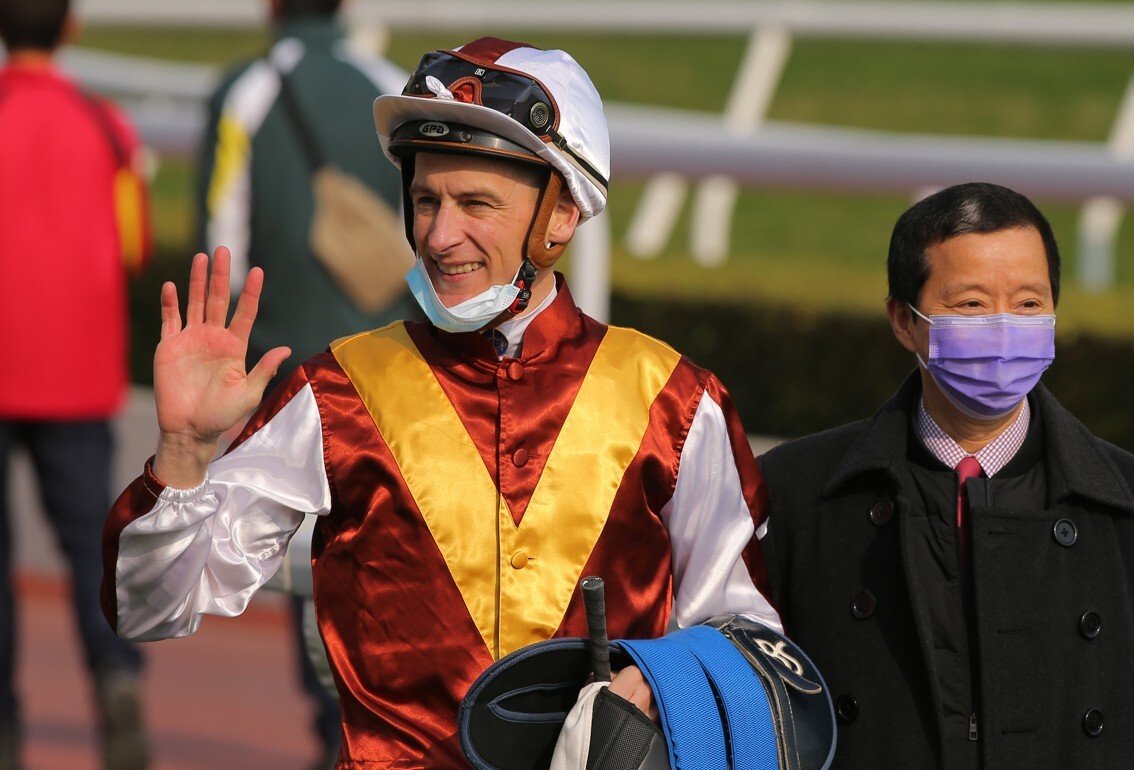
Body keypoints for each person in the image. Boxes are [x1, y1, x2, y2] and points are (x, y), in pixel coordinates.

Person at [102, 37, 778, 766]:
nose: (438, 234)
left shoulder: (677, 402)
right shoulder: (337, 390)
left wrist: (655, 683)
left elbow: (748, 638)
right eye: (426, 200)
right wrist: (182, 454)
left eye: (475, 203)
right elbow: (150, 608)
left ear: (561, 216)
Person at [757, 183, 1134, 768]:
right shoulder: (794, 496)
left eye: (1029, 304)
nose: (1005, 329)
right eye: (972, 305)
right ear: (904, 322)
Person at [194, 2, 415, 764]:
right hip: (395, 377)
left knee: (305, 568)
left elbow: (220, 239)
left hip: (287, 382)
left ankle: (337, 737)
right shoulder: (394, 85)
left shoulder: (246, 91)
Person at [0, 1, 152, 768]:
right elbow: (133, 245)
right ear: (70, 28)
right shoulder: (104, 124)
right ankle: (116, 678)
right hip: (76, 372)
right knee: (93, 550)